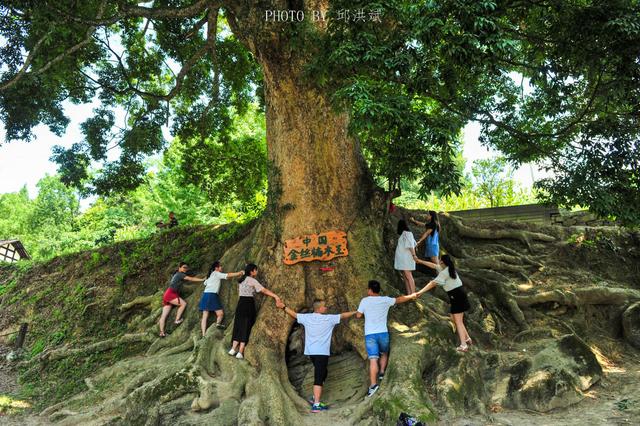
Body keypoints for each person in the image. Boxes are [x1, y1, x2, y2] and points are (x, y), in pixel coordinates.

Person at [276, 299, 356, 413]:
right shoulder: (328, 319)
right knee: (319, 376)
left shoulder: (307, 317)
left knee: (324, 372)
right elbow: (343, 315)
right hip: (321, 353)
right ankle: (316, 404)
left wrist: (283, 307)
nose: (326, 308)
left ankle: (315, 397)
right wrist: (355, 312)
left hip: (312, 352)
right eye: (324, 306)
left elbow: (294, 314)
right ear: (319, 308)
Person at [356, 280, 420, 397]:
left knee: (373, 359)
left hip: (370, 334)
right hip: (383, 333)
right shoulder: (385, 300)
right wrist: (411, 295)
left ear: (370, 290)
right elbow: (399, 299)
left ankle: (374, 385)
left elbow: (358, 315)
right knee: (384, 353)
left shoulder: (364, 301)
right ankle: (381, 372)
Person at [416, 255, 471, 352]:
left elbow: (433, 283)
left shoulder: (445, 272)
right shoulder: (448, 268)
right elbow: (433, 266)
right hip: (459, 294)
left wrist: (420, 292)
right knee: (454, 318)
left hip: (457, 296)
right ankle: (467, 338)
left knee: (458, 321)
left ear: (442, 262)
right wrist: (420, 261)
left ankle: (464, 345)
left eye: (440, 260)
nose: (438, 261)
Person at [228, 263, 281, 359]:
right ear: (252, 271)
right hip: (248, 304)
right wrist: (275, 296)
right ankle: (240, 351)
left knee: (239, 325)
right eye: (255, 270)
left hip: (240, 303)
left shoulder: (241, 280)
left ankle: (233, 349)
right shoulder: (252, 280)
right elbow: (263, 290)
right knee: (246, 325)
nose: (257, 272)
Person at [199, 260, 245, 337]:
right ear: (216, 268)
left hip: (205, 295)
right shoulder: (216, 273)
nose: (221, 267)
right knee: (220, 314)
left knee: (205, 316)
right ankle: (218, 324)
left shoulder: (210, 275)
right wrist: (239, 273)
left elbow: (205, 283)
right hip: (212, 295)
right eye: (220, 266)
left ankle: (203, 334)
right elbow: (228, 275)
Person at [159, 262, 205, 337]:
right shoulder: (180, 274)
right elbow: (190, 279)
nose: (185, 269)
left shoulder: (177, 274)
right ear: (179, 268)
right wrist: (202, 279)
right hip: (171, 294)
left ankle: (162, 332)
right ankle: (177, 320)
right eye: (184, 267)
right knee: (183, 304)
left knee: (164, 316)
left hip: (167, 294)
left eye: (186, 267)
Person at [394, 219, 420, 294]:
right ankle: (409, 293)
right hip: (404, 258)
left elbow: (411, 246)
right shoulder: (405, 233)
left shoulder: (407, 233)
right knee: (405, 276)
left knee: (408, 275)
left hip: (407, 258)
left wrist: (414, 255)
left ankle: (413, 293)